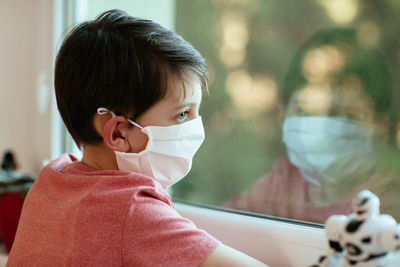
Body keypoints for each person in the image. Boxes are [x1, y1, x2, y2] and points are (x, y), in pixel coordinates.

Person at [7, 9, 266, 266]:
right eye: (182, 114)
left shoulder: (54, 178)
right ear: (118, 133)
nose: (195, 127)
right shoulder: (131, 210)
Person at [224, 28, 399, 224]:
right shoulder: (279, 185)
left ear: (381, 127)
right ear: (283, 116)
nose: (324, 128)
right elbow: (219, 233)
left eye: (350, 115)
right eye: (306, 112)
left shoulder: (387, 204)